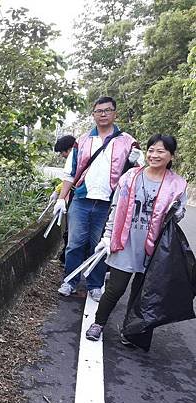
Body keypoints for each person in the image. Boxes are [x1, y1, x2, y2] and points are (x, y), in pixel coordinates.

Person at [85, 134, 188, 342]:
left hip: (155, 249)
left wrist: (176, 211)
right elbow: (116, 207)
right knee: (115, 288)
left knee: (141, 293)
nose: (154, 155)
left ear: (171, 156)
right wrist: (107, 236)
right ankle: (98, 323)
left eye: (161, 151)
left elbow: (178, 216)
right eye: (151, 150)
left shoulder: (178, 185)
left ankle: (130, 331)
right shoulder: (130, 176)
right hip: (125, 243)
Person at [54, 96, 143, 301]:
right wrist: (62, 198)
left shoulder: (128, 141)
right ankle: (70, 281)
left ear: (115, 113)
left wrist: (135, 163)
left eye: (107, 110)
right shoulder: (83, 140)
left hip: (110, 203)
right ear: (93, 115)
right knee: (74, 243)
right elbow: (70, 172)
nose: (103, 114)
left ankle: (96, 284)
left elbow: (138, 174)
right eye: (99, 111)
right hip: (82, 199)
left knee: (100, 245)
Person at [50, 135, 77, 264]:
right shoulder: (74, 159)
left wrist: (59, 193)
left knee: (71, 230)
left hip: (78, 197)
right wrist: (58, 190)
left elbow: (72, 179)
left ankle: (66, 260)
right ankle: (65, 258)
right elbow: (67, 180)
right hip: (73, 195)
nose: (62, 155)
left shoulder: (79, 159)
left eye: (63, 152)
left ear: (70, 149)